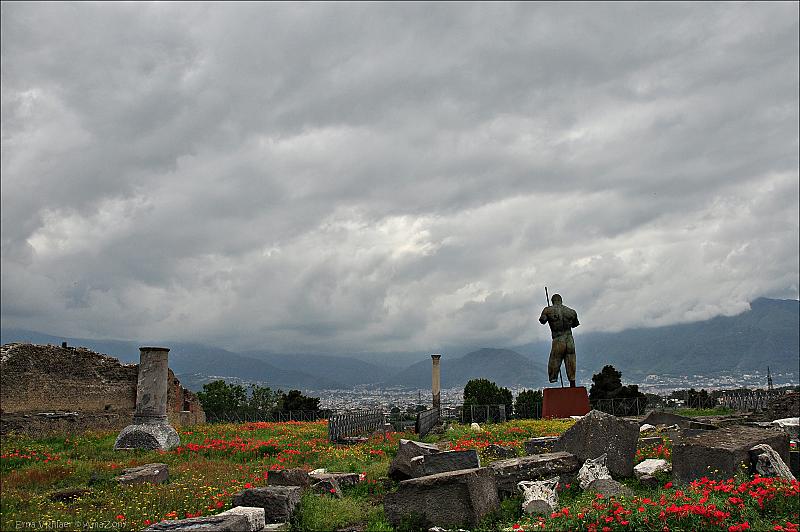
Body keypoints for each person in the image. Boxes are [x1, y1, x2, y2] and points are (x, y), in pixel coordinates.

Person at [539, 293, 580, 387]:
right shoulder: (571, 312)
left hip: (558, 339)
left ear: (552, 301)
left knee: (555, 360)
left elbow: (542, 320)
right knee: (571, 361)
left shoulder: (548, 310)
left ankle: (553, 378)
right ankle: (572, 382)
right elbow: (575, 324)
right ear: (561, 301)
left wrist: (547, 315)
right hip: (570, 339)